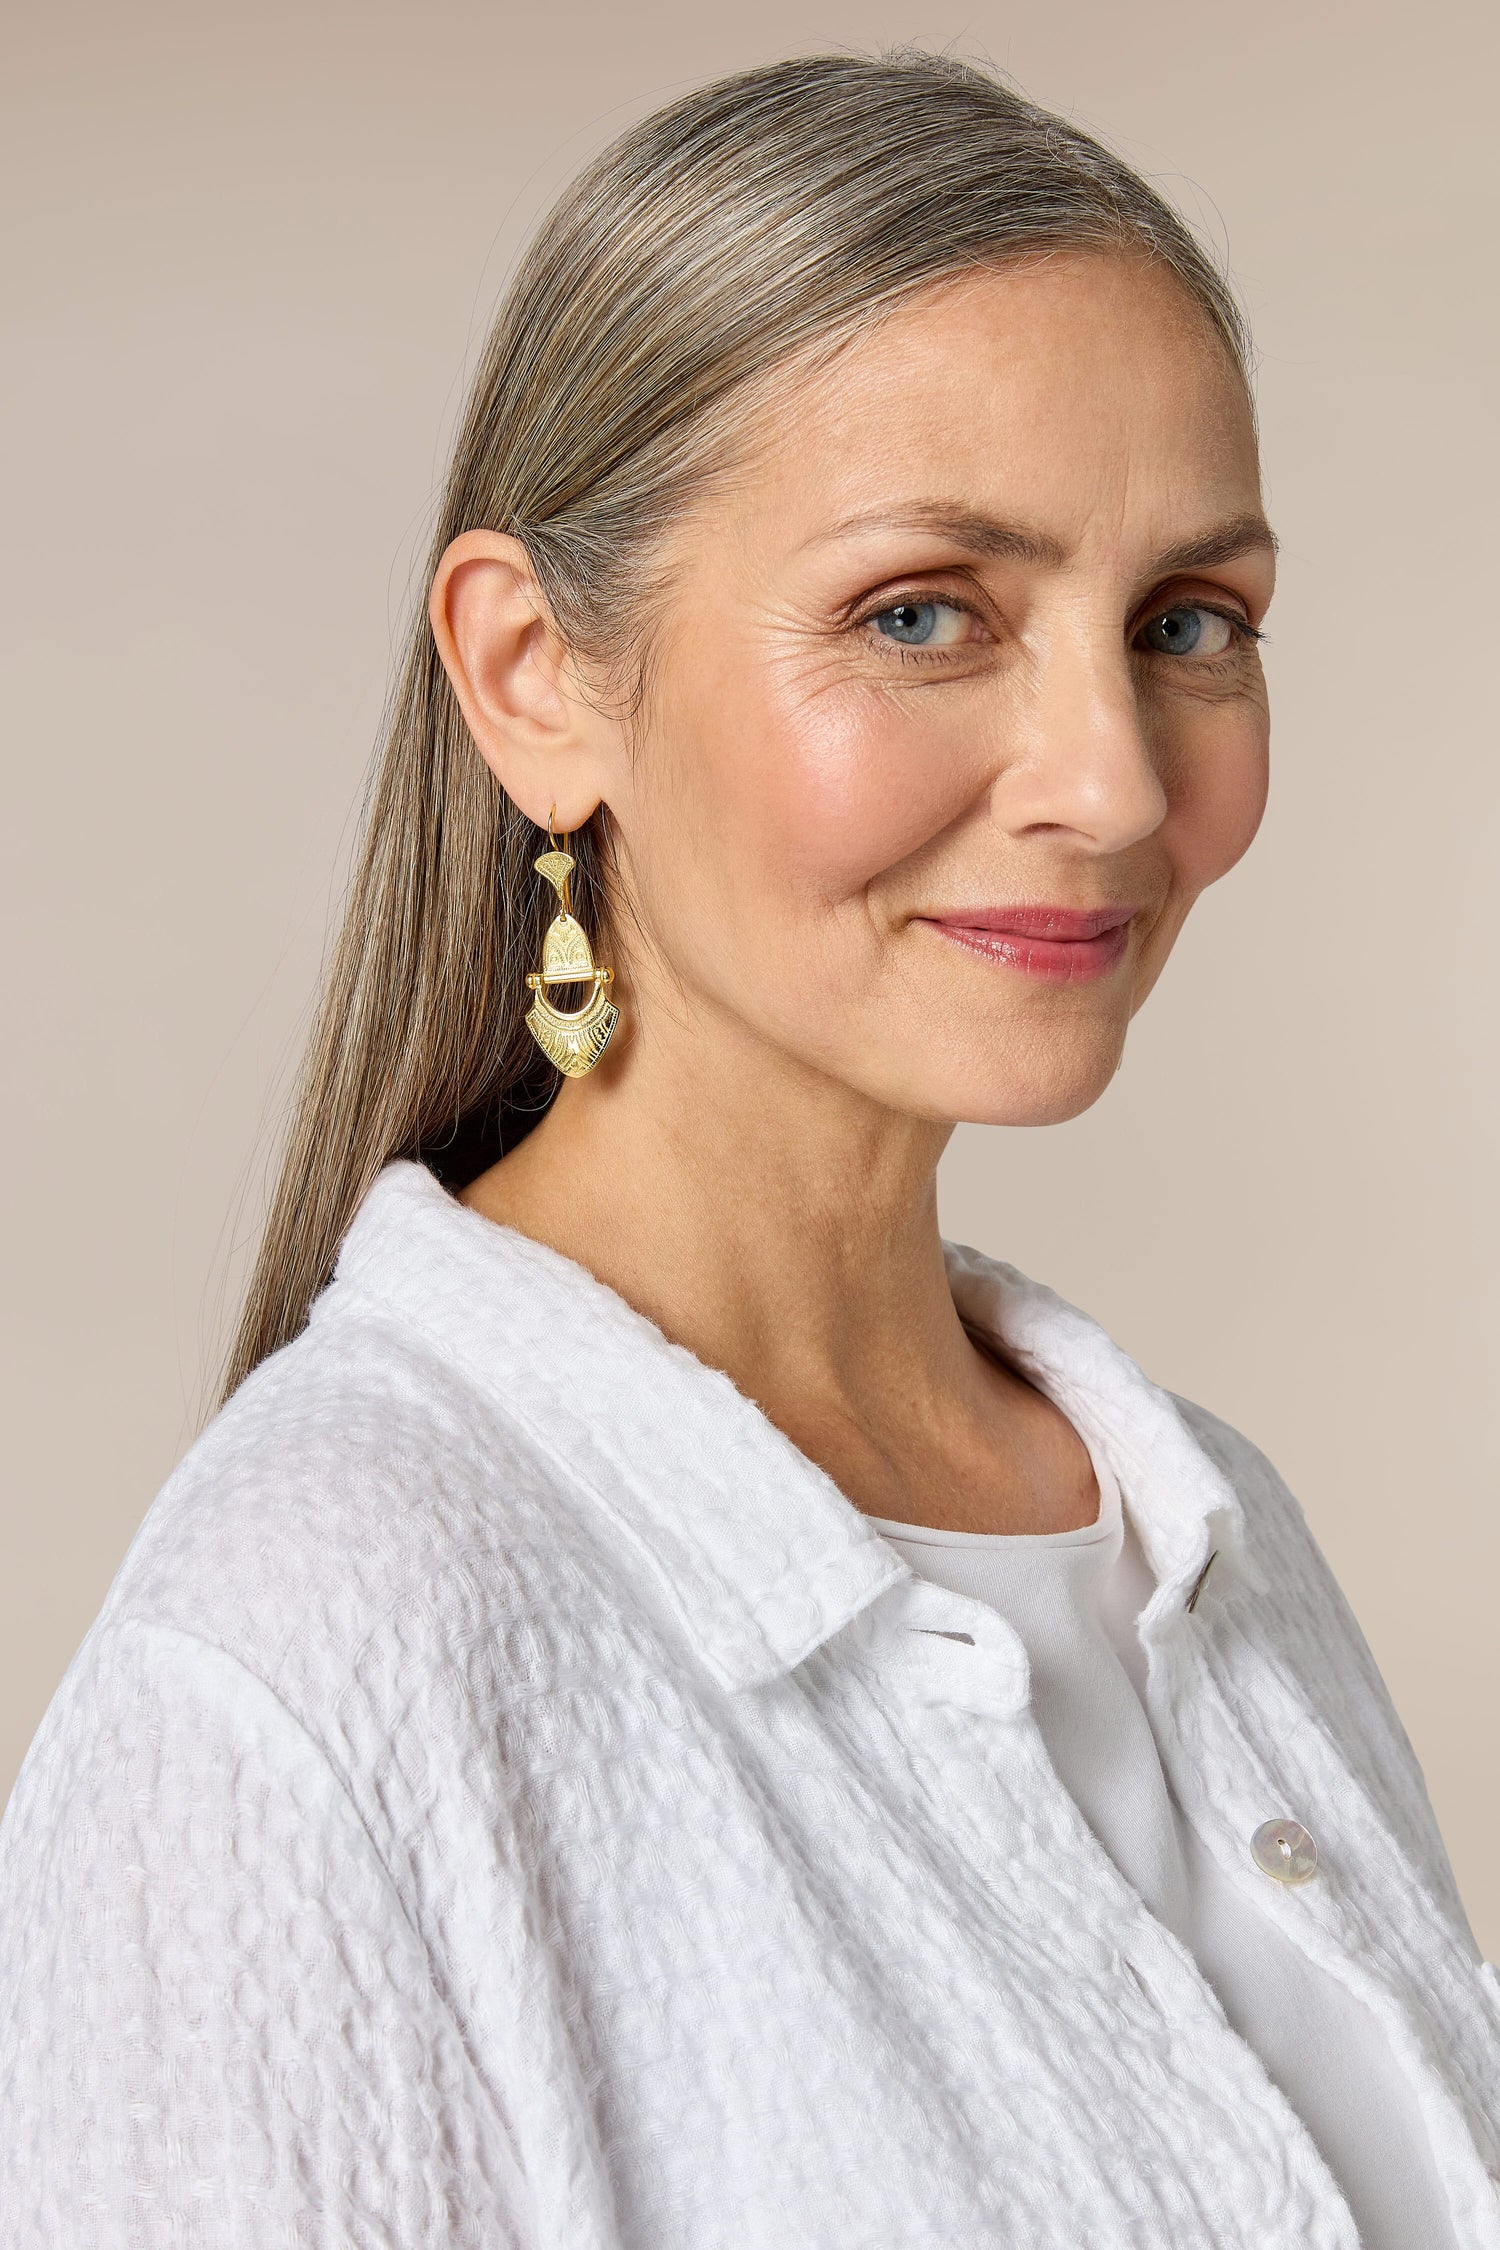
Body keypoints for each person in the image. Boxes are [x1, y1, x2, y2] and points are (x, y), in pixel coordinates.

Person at [1, 48, 1496, 2250]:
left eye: (1191, 624)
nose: (1109, 777)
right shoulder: (311, 1663)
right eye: (924, 613)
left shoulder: (1208, 1534)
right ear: (534, 678)